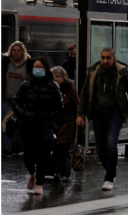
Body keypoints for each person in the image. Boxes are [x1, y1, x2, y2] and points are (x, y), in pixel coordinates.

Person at [76, 47, 128, 190]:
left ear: (114, 58)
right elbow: (84, 95)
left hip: (115, 114)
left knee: (111, 145)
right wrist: (80, 114)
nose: (105, 60)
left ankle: (109, 178)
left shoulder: (122, 72)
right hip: (98, 114)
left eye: (108, 58)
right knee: (100, 149)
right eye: (102, 57)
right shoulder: (93, 73)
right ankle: (111, 166)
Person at [12, 57, 64, 195]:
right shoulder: (26, 84)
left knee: (41, 155)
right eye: (36, 67)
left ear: (46, 69)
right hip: (28, 125)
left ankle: (39, 183)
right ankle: (32, 173)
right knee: (28, 155)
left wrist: (48, 117)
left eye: (41, 67)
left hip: (43, 126)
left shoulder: (53, 86)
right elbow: (15, 102)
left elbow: (60, 107)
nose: (38, 70)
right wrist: (24, 114)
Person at [2, 41, 33, 156]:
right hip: (7, 98)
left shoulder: (28, 64)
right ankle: (7, 148)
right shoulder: (5, 63)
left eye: (18, 50)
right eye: (14, 50)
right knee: (5, 122)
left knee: (23, 124)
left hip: (22, 100)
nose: (16, 52)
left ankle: (23, 147)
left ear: (22, 52)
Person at [50, 66, 78, 182]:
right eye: (53, 77)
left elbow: (77, 107)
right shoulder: (50, 89)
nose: (55, 79)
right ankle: (64, 170)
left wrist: (80, 126)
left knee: (61, 147)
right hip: (53, 125)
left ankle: (57, 173)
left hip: (67, 125)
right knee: (56, 149)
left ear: (64, 78)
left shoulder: (70, 90)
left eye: (58, 77)